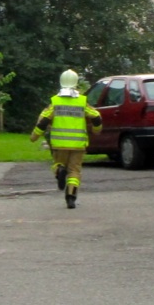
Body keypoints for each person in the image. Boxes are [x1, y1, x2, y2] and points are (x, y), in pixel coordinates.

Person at [29, 69, 102, 209]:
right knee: (74, 171)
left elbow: (43, 121)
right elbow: (96, 117)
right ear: (76, 83)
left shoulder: (55, 101)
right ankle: (71, 198)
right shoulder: (82, 101)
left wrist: (34, 136)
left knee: (58, 163)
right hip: (78, 144)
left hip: (59, 144)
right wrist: (96, 130)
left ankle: (59, 170)